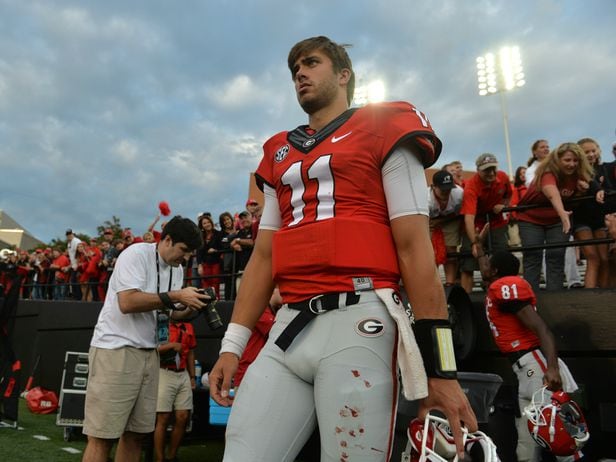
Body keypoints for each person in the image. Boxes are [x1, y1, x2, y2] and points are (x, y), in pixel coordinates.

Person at [209, 35, 476, 462]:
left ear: (344, 74)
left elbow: (415, 249)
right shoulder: (279, 150)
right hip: (289, 326)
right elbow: (264, 256)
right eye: (295, 68)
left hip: (360, 318)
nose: (300, 73)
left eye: (311, 63)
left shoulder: (385, 125)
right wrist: (232, 346)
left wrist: (441, 370)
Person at [82, 216, 210, 462]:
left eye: (190, 253)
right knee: (102, 437)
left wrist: (194, 306)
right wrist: (176, 294)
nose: (185, 258)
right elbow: (128, 302)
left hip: (150, 354)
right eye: (183, 250)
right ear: (168, 239)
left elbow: (171, 313)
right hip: (116, 349)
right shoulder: (135, 254)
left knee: (137, 435)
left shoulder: (177, 269)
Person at [475, 247, 581, 461]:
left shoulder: (504, 286)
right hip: (524, 369)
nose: (484, 267)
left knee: (556, 432)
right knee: (527, 440)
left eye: (488, 264)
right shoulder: (496, 285)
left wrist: (551, 368)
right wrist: (479, 245)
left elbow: (542, 329)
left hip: (534, 365)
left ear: (495, 270)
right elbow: (485, 268)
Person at [516, 143, 593, 292]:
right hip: (531, 218)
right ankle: (530, 299)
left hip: (557, 221)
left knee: (556, 256)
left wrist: (585, 190)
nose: (572, 164)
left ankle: (555, 297)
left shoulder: (578, 173)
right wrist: (562, 212)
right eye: (567, 160)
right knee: (533, 256)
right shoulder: (548, 171)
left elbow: (592, 185)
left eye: (575, 161)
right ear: (557, 160)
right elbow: (551, 191)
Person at [459, 153, 511, 293]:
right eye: (487, 170)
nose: (491, 173)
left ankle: (502, 295)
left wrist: (503, 204)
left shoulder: (503, 177)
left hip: (497, 223)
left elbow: (508, 195)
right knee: (468, 262)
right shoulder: (471, 187)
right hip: (476, 224)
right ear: (478, 170)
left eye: (493, 168)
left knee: (501, 259)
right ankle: (466, 301)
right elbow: (469, 218)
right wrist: (475, 243)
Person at [154, 319, 197, 462]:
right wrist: (171, 345)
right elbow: (152, 349)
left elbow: (190, 353)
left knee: (183, 416)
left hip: (183, 373)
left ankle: (171, 457)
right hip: (164, 371)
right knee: (163, 418)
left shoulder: (188, 326)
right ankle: (160, 459)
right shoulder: (161, 324)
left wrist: (192, 376)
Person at [573, 138, 609, 288]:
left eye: (593, 150)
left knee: (604, 259)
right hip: (581, 219)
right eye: (586, 152)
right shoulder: (576, 171)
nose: (591, 154)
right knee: (592, 258)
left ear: (599, 150)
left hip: (599, 219)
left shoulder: (604, 169)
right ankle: (590, 297)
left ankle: (605, 295)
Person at [427, 170, 463, 286]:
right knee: (430, 251)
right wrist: (434, 223)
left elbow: (461, 213)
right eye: (443, 189)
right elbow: (420, 219)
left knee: (451, 250)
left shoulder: (459, 194)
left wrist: (440, 221)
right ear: (433, 187)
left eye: (448, 188)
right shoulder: (425, 198)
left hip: (451, 219)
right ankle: (433, 283)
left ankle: (450, 283)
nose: (446, 192)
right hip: (428, 221)